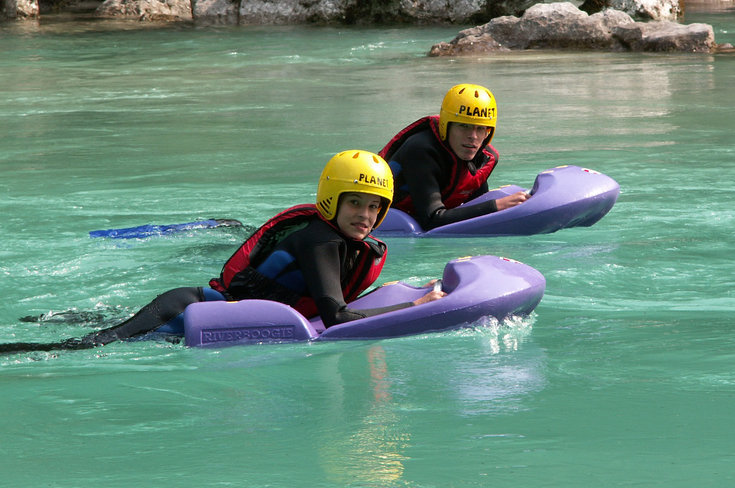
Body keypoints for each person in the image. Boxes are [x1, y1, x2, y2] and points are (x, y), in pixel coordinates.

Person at [1, 150, 444, 355]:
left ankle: (63, 314)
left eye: (374, 206)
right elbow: (336, 318)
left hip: (195, 304)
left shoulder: (349, 245)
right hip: (185, 309)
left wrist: (410, 288)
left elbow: (337, 302)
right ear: (333, 199)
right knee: (83, 347)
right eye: (355, 203)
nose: (365, 215)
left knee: (100, 327)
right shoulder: (320, 239)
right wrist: (416, 304)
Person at [378, 83, 530, 230]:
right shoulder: (420, 151)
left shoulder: (485, 158)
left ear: (488, 132)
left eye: (480, 128)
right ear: (446, 125)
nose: (473, 136)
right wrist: (497, 206)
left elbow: (476, 204)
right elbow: (432, 218)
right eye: (464, 126)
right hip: (393, 220)